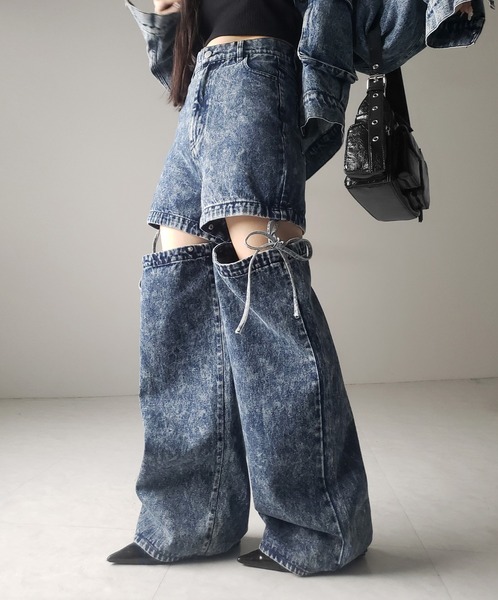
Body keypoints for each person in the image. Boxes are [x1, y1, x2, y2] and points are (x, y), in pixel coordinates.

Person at [107, 0, 375, 576]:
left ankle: (319, 529)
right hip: (207, 81)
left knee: (264, 288)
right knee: (177, 284)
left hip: (257, 69)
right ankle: (190, 521)